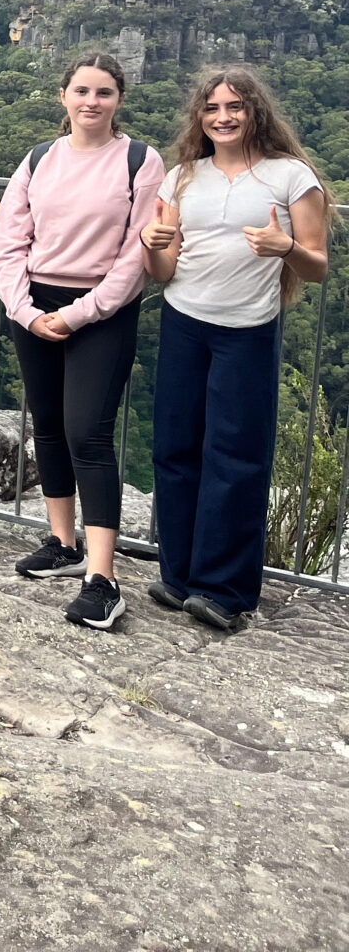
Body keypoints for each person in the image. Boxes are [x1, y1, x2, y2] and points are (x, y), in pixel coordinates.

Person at [141, 66, 328, 632]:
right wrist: (151, 245)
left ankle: (224, 590)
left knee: (237, 456)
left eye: (235, 107)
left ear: (255, 112)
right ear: (200, 117)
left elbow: (317, 266)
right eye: (212, 108)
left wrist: (285, 246)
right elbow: (163, 269)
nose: (223, 117)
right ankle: (179, 577)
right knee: (175, 448)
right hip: (184, 320)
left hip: (247, 329)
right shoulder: (182, 176)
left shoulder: (290, 176)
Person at [0, 52, 166, 632]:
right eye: (82, 91)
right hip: (34, 305)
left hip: (102, 310)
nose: (92, 102)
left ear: (120, 100)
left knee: (87, 432)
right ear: (63, 96)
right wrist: (25, 310)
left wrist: (77, 315)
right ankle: (63, 543)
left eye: (104, 92)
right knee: (47, 425)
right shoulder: (39, 158)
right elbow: (9, 240)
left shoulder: (140, 161)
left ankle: (103, 578)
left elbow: (136, 256)